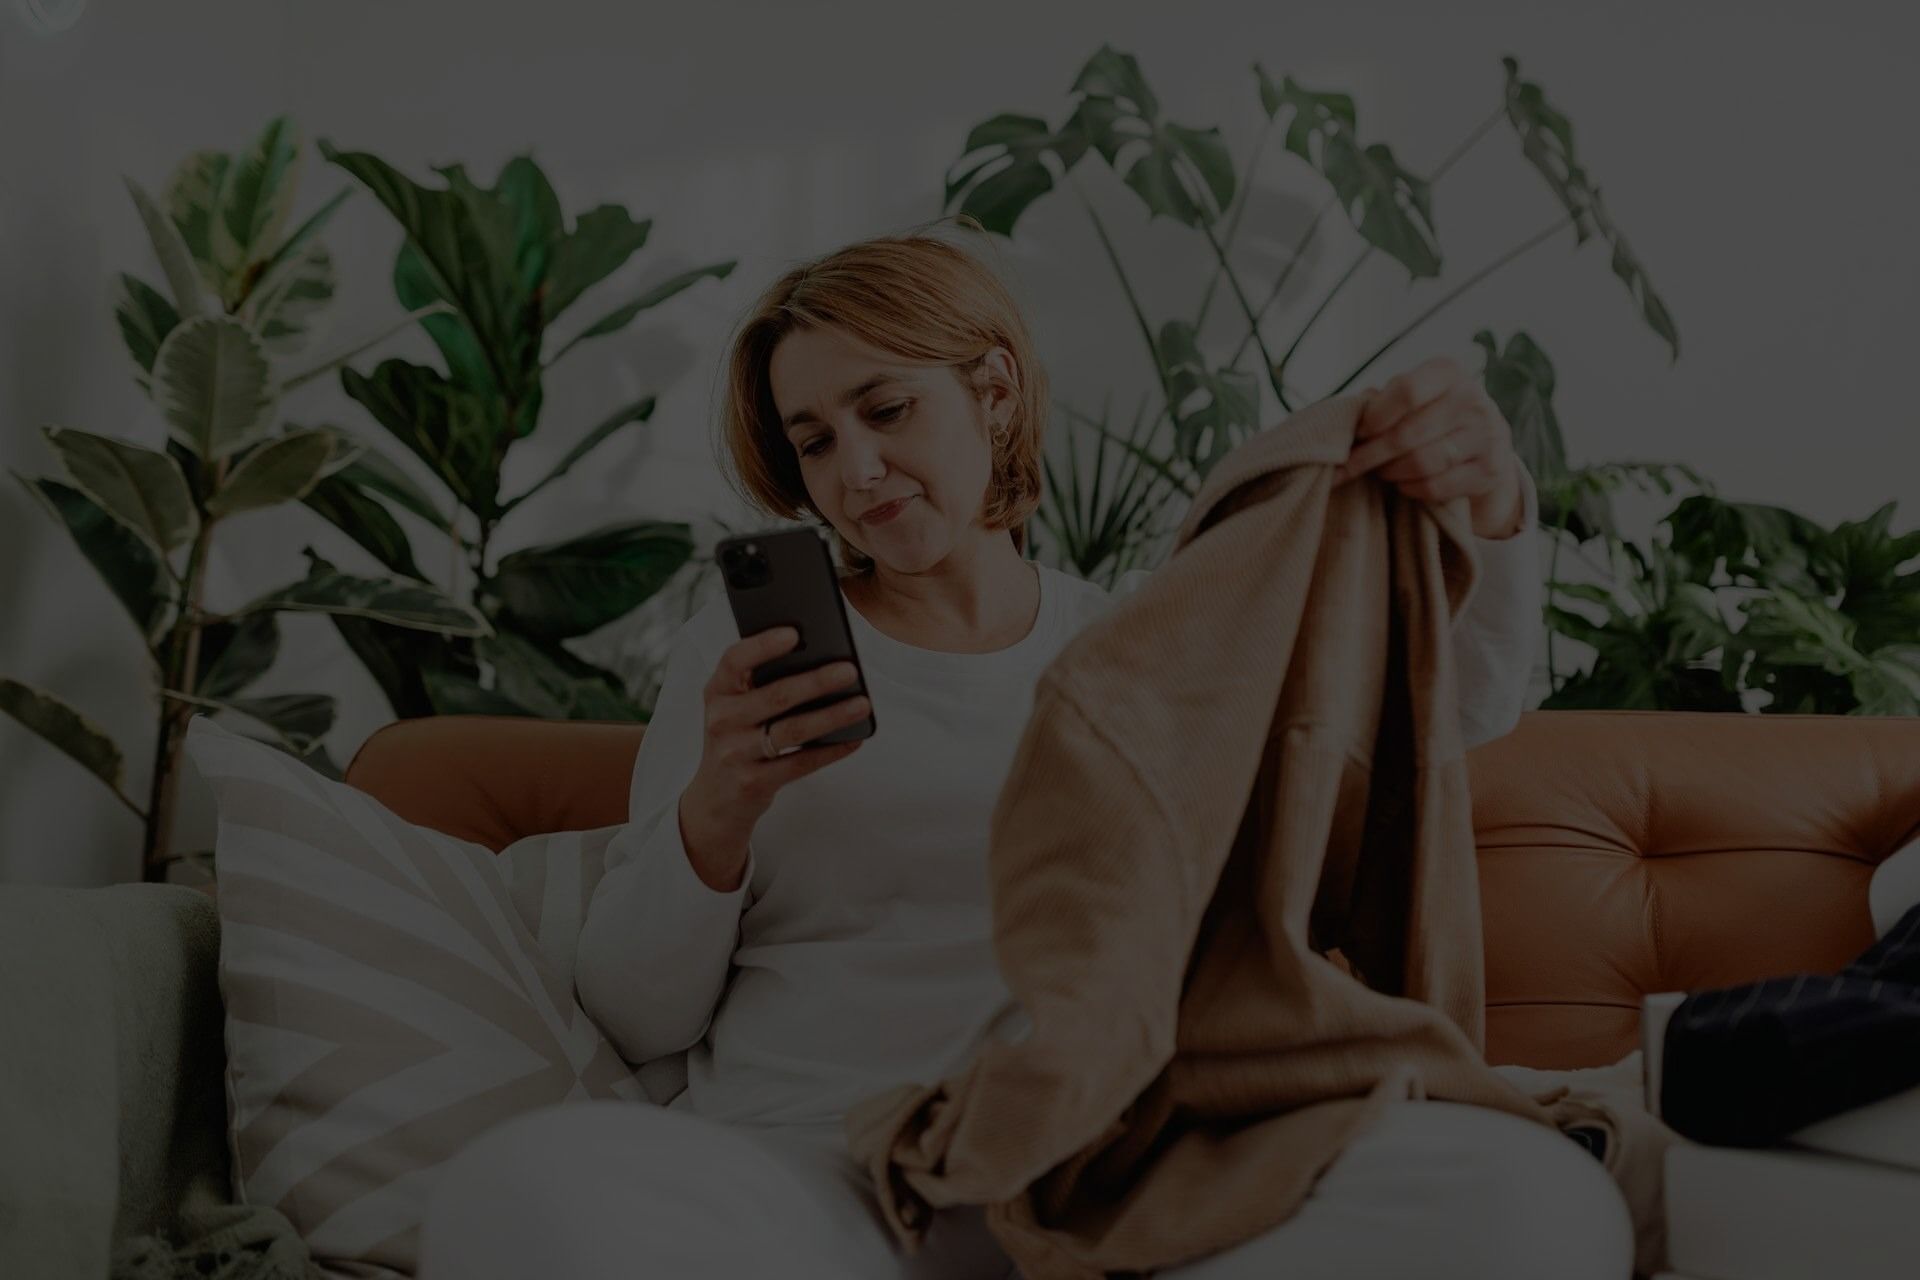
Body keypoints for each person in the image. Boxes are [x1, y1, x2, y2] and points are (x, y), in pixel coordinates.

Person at [417, 230, 1632, 1279]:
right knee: (516, 1190)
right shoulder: (732, 663)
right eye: (816, 442)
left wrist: (1487, 491)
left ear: (992, 389)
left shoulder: (1138, 647)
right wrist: (716, 810)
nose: (857, 470)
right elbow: (635, 1012)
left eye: (885, 410)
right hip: (821, 1172)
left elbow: (1454, 708)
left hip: (1115, 1170)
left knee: (1532, 1199)